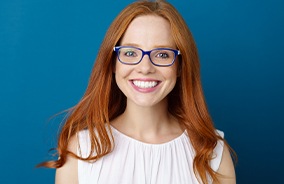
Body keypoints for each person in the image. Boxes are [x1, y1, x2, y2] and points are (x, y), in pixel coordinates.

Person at [39, 0, 236, 183]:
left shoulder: (213, 153)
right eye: (130, 53)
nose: (145, 67)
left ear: (180, 67)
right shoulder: (80, 150)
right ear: (113, 63)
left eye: (162, 54)